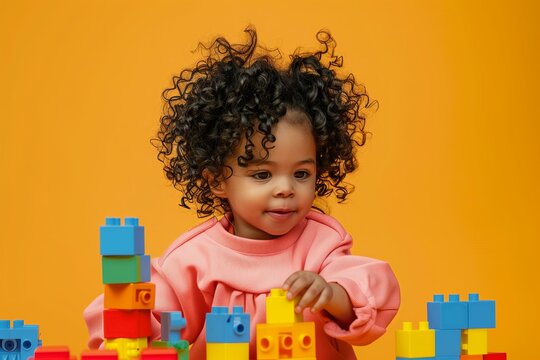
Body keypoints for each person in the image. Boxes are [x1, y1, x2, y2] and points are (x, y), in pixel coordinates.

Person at [84, 27, 400, 360]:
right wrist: (126, 339)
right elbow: (141, 315)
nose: (285, 188)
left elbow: (366, 293)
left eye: (302, 173)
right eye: (262, 174)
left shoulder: (322, 244)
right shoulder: (194, 260)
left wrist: (332, 294)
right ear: (218, 180)